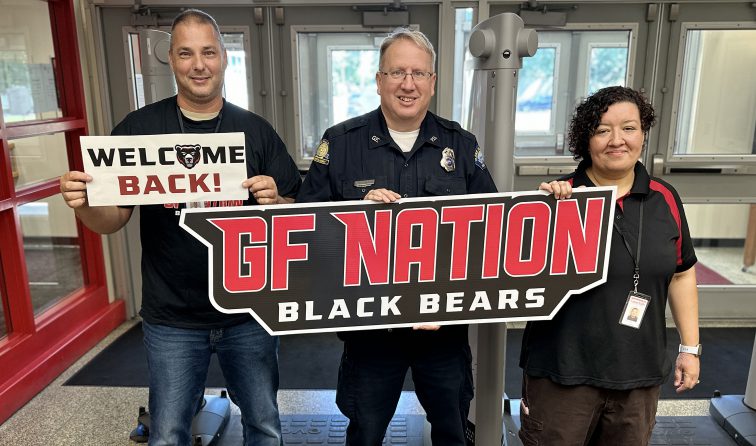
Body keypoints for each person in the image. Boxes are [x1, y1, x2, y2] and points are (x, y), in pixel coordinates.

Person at [60, 9, 300, 446]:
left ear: (224, 58)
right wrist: (83, 207)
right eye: (186, 53)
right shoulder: (138, 131)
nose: (199, 64)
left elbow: (297, 213)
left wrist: (276, 200)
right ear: (170, 59)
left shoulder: (256, 131)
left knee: (264, 426)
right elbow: (111, 219)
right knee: (167, 434)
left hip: (249, 313)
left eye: (208, 51)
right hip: (171, 317)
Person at [296, 28, 497, 445]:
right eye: (398, 72)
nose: (408, 84)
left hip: (442, 329)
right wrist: (354, 214)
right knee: (365, 432)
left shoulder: (460, 145)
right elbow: (305, 227)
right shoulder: (341, 142)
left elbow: (493, 227)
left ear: (433, 82)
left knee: (452, 431)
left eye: (419, 73)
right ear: (379, 80)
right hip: (370, 333)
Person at [519, 86, 700, 445]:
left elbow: (682, 273)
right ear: (585, 140)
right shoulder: (556, 200)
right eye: (602, 130)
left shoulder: (665, 198)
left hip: (637, 378)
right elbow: (516, 282)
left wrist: (690, 349)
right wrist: (541, 216)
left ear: (643, 134)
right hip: (562, 377)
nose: (617, 140)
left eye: (629, 128)